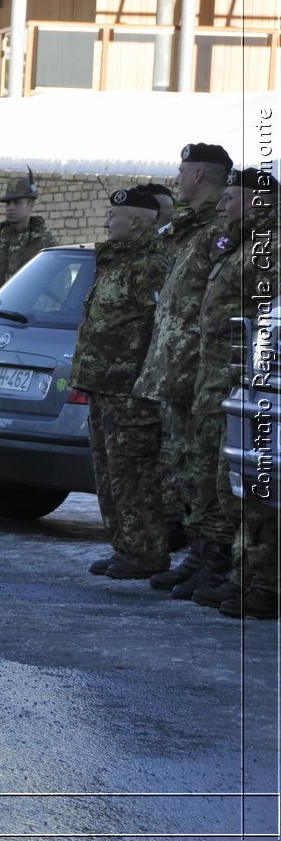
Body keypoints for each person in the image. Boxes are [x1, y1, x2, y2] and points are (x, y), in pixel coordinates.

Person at [137, 143, 236, 600]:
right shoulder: (190, 225)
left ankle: (215, 558)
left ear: (199, 174)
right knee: (184, 468)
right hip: (175, 367)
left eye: (181, 171)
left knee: (204, 469)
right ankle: (198, 554)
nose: (176, 178)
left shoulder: (223, 225)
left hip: (203, 368)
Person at [186, 168, 277, 617]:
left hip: (256, 387)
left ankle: (261, 585)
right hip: (226, 382)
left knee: (255, 487)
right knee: (229, 483)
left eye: (230, 199)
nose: (221, 207)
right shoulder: (245, 244)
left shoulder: (271, 249)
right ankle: (239, 575)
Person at [71, 186, 171, 578]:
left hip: (130, 388)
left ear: (135, 222)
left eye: (114, 216)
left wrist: (146, 383)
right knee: (108, 470)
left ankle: (146, 553)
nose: (106, 222)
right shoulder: (114, 261)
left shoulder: (150, 266)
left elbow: (158, 328)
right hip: (103, 384)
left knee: (134, 473)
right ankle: (123, 546)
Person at [0, 172, 55, 308]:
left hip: (27, 317)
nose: (10, 207)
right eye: (8, 203)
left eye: (17, 202)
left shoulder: (45, 245)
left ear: (31, 205)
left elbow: (55, 286)